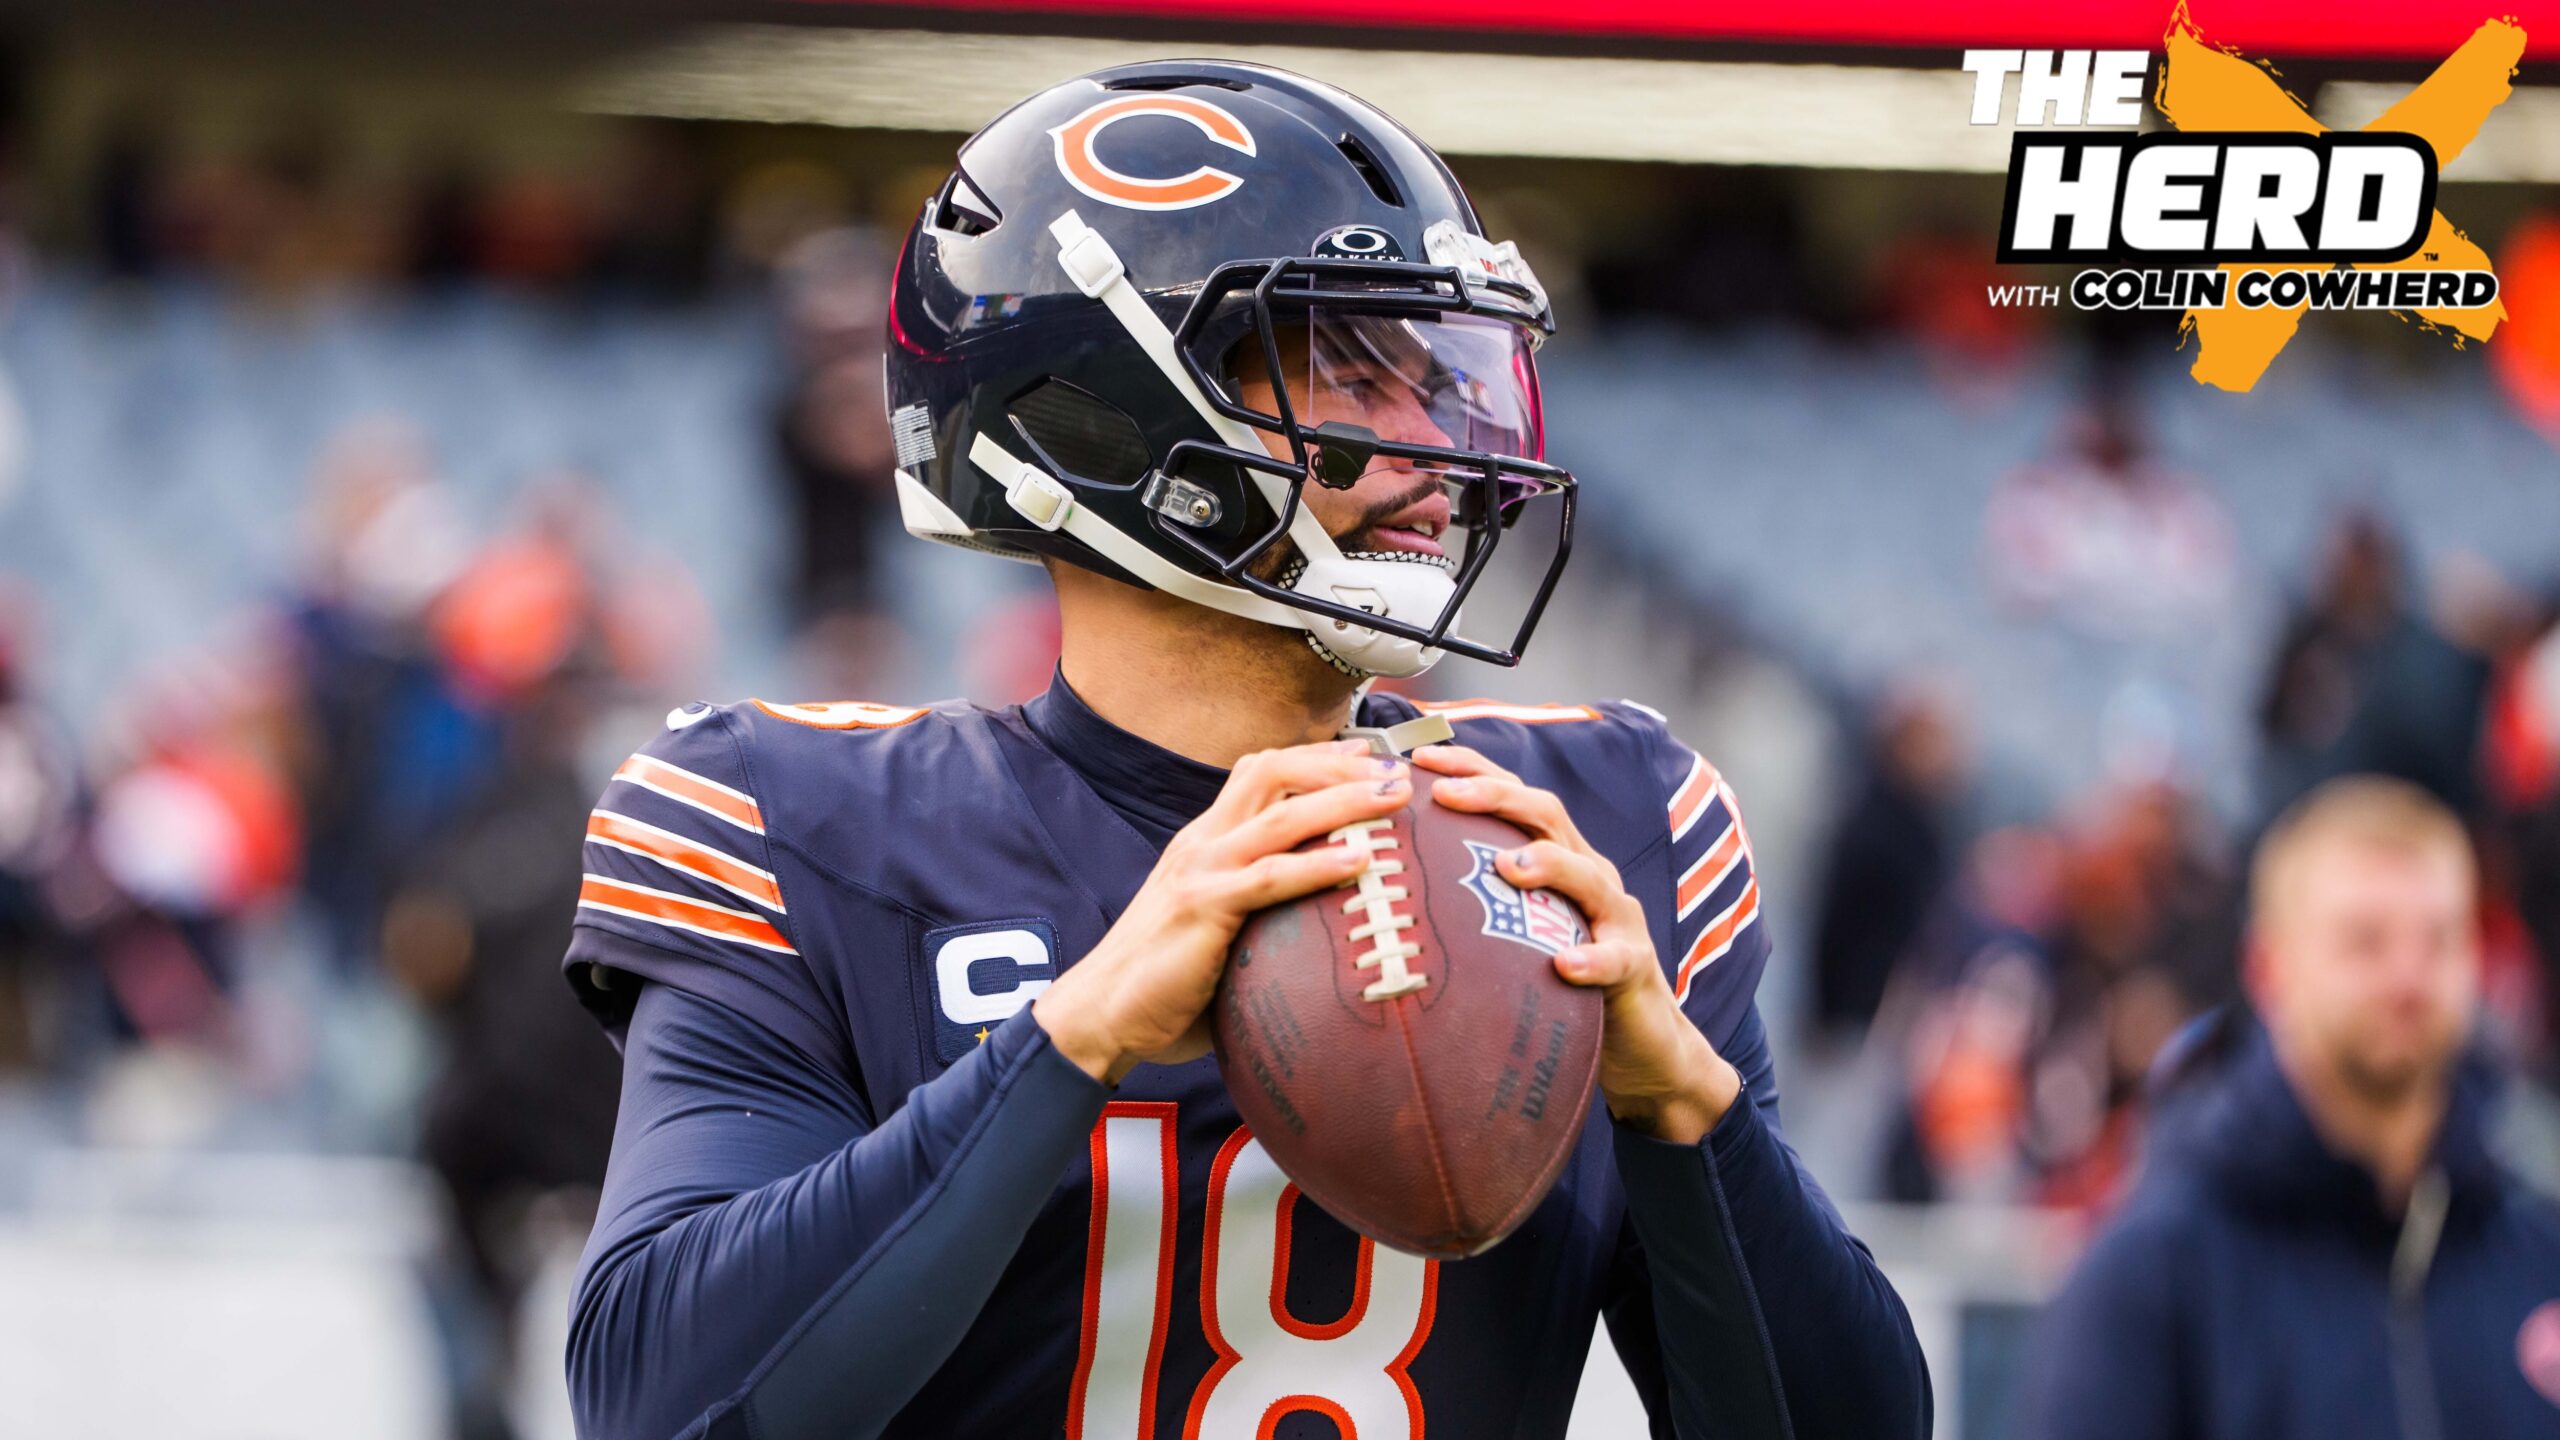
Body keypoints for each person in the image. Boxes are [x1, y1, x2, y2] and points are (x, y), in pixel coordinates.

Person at [561, 62, 1929, 1440]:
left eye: (1446, 377)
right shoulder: (793, 822)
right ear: (1095, 406)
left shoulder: (1597, 826)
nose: (1439, 446)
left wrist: (1684, 1108)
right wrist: (1072, 1038)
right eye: (1353, 371)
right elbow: (660, 1407)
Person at [2019, 776, 2560, 1440]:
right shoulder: (2159, 1273)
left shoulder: (2535, 1256)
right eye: (2366, 941)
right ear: (2268, 967)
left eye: (2440, 938)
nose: (2409, 976)